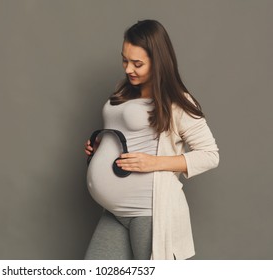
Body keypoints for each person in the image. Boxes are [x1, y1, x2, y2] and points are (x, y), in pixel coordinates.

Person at [83, 19, 219, 260]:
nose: (128, 69)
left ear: (158, 63)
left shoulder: (177, 102)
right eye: (125, 60)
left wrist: (154, 162)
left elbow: (210, 155)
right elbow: (130, 135)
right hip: (114, 212)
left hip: (149, 212)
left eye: (137, 63)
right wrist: (101, 150)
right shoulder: (124, 92)